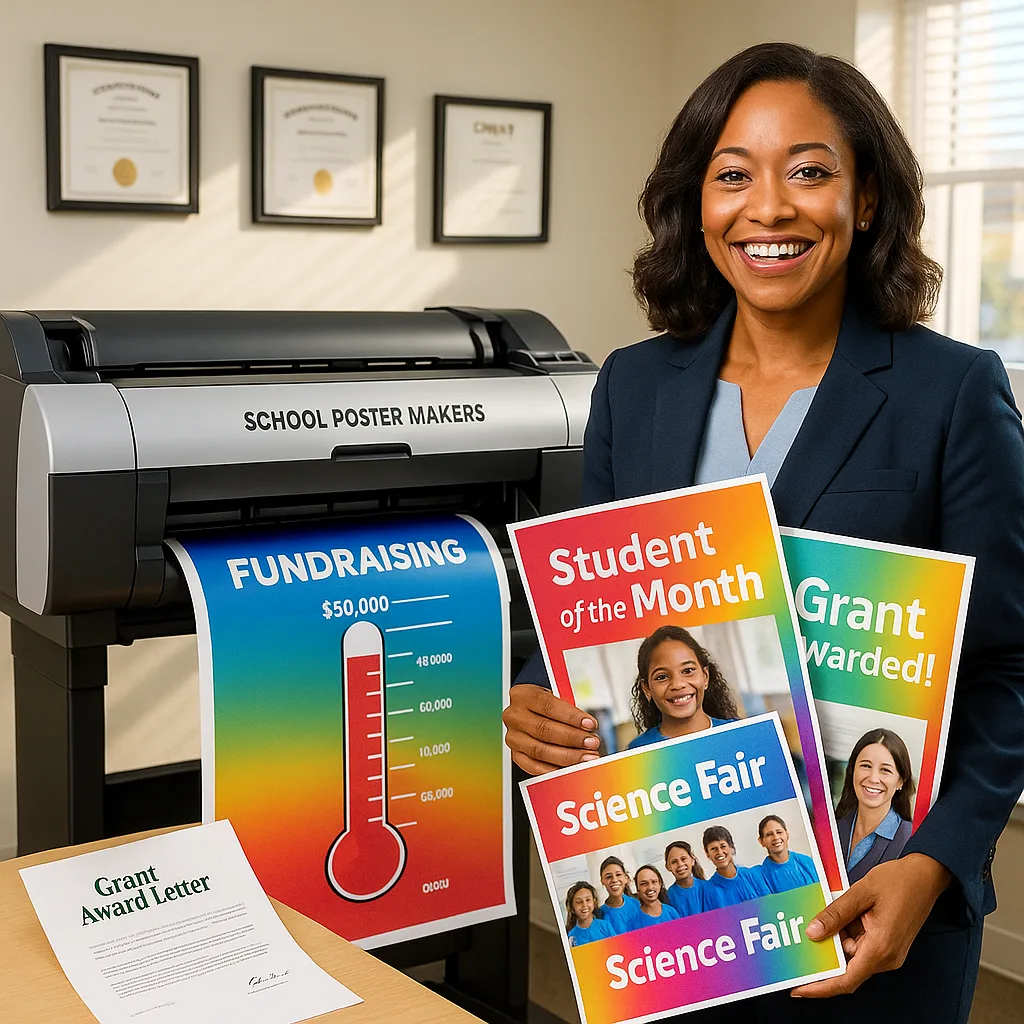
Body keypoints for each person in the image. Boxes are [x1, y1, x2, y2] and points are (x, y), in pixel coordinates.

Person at [501, 40, 1024, 1022]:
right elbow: (578, 615)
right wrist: (533, 690)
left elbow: (1010, 668)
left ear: (865, 199)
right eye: (733, 174)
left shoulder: (951, 391)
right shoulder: (633, 383)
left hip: (873, 920)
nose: (769, 208)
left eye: (810, 172)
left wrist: (932, 865)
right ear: (696, 203)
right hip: (672, 909)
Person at [628, 625, 739, 748]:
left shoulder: (739, 734)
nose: (678, 684)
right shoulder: (638, 752)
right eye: (661, 677)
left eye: (688, 670)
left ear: (705, 676)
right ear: (647, 689)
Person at [835, 730, 915, 884]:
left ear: (900, 781)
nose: (873, 778)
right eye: (866, 766)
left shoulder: (911, 841)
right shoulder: (831, 826)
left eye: (885, 770)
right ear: (852, 772)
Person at [702, 825, 773, 908]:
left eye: (723, 846)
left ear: (731, 848)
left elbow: (771, 906)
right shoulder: (708, 890)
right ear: (707, 854)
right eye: (713, 849)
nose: (720, 852)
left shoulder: (752, 875)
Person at [757, 814, 820, 893]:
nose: (776, 837)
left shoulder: (807, 862)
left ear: (787, 834)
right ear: (761, 841)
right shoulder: (761, 877)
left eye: (779, 832)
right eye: (769, 834)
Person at [597, 856, 646, 934]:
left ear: (626, 878)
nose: (614, 880)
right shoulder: (600, 915)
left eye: (618, 874)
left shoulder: (637, 903)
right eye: (608, 877)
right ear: (602, 881)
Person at [664, 839, 711, 915]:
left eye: (683, 859)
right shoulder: (669, 896)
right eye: (674, 862)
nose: (680, 864)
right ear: (668, 867)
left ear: (692, 860)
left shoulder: (706, 887)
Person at [564, 881, 615, 947]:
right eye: (579, 902)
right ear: (572, 907)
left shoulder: (605, 926)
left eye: (588, 900)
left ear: (594, 902)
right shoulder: (571, 937)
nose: (584, 905)